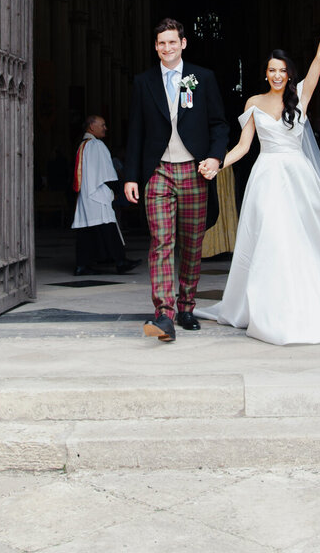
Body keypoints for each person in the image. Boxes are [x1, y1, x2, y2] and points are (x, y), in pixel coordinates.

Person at [196, 0, 320, 344]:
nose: (277, 75)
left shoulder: (302, 96)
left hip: (298, 177)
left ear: (289, 73)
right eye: (272, 70)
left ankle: (306, 302)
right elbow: (243, 147)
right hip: (266, 177)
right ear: (265, 73)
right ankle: (269, 308)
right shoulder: (253, 103)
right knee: (271, 239)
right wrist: (218, 162)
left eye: (282, 70)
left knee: (304, 238)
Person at [124, 18, 229, 343]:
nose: (166, 48)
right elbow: (136, 131)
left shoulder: (202, 78)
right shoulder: (144, 82)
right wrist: (131, 176)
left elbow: (219, 124)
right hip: (158, 172)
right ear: (155, 47)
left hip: (194, 171)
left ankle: (186, 307)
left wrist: (215, 157)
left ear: (183, 43)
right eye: (160, 43)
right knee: (161, 243)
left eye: (172, 42)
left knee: (192, 243)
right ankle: (164, 314)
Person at [72, 115, 140, 275]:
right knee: (107, 227)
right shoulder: (96, 144)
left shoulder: (83, 145)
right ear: (91, 127)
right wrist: (116, 190)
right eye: (102, 125)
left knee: (86, 229)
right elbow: (107, 172)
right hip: (98, 193)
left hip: (87, 194)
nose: (105, 128)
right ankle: (120, 261)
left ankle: (83, 264)